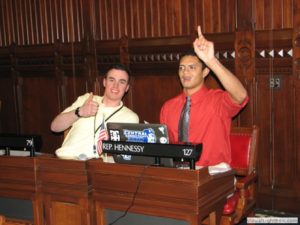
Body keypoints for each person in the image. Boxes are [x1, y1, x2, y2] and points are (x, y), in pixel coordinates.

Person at [160, 26, 249, 169]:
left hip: (214, 171)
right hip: (180, 171)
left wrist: (210, 60)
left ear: (205, 72)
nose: (185, 72)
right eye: (181, 68)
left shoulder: (217, 100)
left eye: (191, 67)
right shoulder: (168, 107)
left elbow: (241, 96)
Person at [51, 63, 139, 160]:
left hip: (96, 166)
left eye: (121, 82)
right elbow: (55, 127)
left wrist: (111, 143)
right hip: (64, 160)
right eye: (111, 80)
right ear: (104, 82)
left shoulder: (130, 118)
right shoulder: (87, 99)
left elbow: (126, 155)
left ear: (127, 88)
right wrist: (79, 112)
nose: (115, 86)